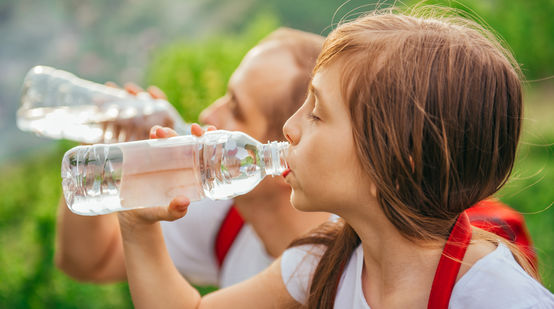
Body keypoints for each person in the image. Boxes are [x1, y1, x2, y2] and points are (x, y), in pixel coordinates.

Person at [117, 8, 554, 308]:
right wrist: (137, 224)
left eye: (317, 113)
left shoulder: (496, 296)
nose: (289, 127)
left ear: (395, 164)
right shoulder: (326, 260)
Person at [54, 27, 330, 285]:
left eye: (235, 109)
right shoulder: (226, 218)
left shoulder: (335, 272)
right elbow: (89, 263)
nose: (207, 115)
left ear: (286, 157)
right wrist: (103, 150)